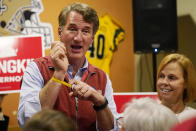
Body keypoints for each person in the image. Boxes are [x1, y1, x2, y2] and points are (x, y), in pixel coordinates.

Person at [17, 2, 118, 131]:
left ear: (92, 38)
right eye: (72, 29)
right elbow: (27, 122)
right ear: (60, 32)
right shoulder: (36, 68)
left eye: (86, 31)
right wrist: (58, 74)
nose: (78, 37)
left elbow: (112, 129)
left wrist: (100, 103)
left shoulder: (101, 77)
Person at [156, 53, 196, 123]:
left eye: (172, 77)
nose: (164, 82)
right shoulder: (147, 116)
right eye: (161, 76)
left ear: (186, 83)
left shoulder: (193, 118)